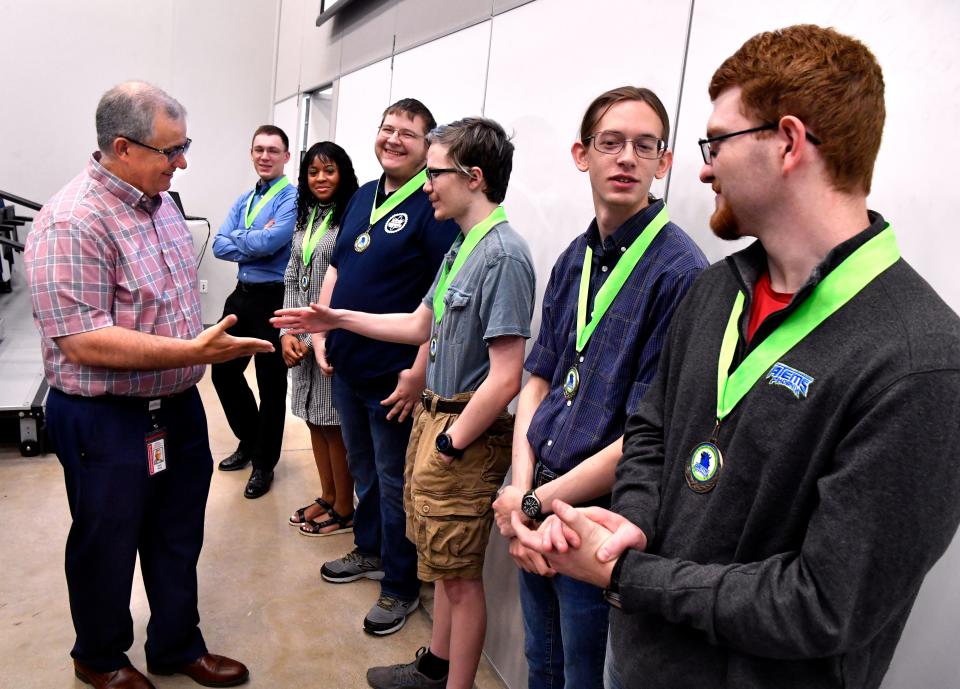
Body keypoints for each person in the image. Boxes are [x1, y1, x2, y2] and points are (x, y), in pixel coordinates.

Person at [512, 24, 960, 689]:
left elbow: (824, 602)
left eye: (716, 141)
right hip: (637, 660)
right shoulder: (716, 290)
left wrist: (629, 573)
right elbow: (651, 433)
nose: (700, 167)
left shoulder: (920, 358)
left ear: (787, 142)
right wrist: (630, 520)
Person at [274, 115, 535, 689]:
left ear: (473, 176)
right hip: (437, 421)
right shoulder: (464, 246)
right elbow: (421, 324)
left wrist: (451, 440)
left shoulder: (505, 256)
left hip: (459, 433)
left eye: (435, 172)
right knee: (442, 564)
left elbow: (508, 374)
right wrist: (335, 316)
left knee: (460, 577)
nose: (428, 184)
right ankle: (435, 666)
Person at [24, 81, 261, 689]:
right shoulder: (74, 220)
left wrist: (203, 344)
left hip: (176, 407)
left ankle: (177, 644)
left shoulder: (163, 207)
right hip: (106, 418)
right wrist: (192, 349)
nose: (182, 162)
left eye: (185, 146)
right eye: (171, 150)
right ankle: (99, 657)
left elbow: (166, 308)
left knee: (178, 532)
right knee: (107, 540)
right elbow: (82, 339)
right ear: (123, 148)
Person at [492, 86, 706, 689]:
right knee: (542, 664)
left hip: (595, 521)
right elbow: (539, 376)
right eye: (611, 143)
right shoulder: (574, 257)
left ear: (664, 162)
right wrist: (520, 488)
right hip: (537, 500)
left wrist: (537, 503)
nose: (626, 158)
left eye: (644, 146)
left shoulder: (680, 273)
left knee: (583, 675)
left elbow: (646, 433)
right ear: (581, 154)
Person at [302, 98, 459, 635]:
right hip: (348, 366)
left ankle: (399, 586)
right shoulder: (364, 195)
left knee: (395, 484)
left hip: (394, 377)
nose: (393, 140)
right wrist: (323, 328)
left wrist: (418, 371)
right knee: (364, 471)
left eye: (407, 134)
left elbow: (439, 300)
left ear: (426, 145)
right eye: (387, 129)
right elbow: (338, 265)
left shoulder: (432, 206)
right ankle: (368, 550)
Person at [211, 124, 297, 499]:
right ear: (252, 153)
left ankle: (264, 465)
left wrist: (244, 241)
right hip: (241, 295)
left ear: (286, 157)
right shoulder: (246, 200)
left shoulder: (291, 198)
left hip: (273, 299)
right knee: (223, 372)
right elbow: (218, 244)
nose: (265, 156)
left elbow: (273, 241)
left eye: (273, 150)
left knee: (271, 384)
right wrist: (254, 242)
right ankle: (250, 439)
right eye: (259, 149)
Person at [280, 141, 359, 535]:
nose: (321, 178)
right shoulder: (307, 216)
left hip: (330, 340)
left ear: (342, 173)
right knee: (312, 420)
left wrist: (311, 338)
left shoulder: (350, 218)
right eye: (313, 172)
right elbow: (293, 275)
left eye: (329, 170)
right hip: (302, 339)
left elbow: (344, 282)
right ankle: (327, 496)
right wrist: (289, 333)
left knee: (333, 425)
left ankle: (345, 507)